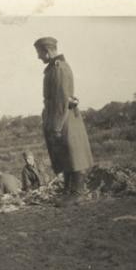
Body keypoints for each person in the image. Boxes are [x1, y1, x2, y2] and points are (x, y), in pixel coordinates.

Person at [34, 37, 94, 205]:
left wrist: (57, 125)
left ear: (46, 51)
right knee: (66, 156)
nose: (38, 57)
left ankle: (77, 193)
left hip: (64, 118)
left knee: (74, 155)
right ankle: (68, 192)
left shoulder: (59, 69)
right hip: (59, 116)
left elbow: (61, 99)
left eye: (39, 52)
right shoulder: (53, 68)